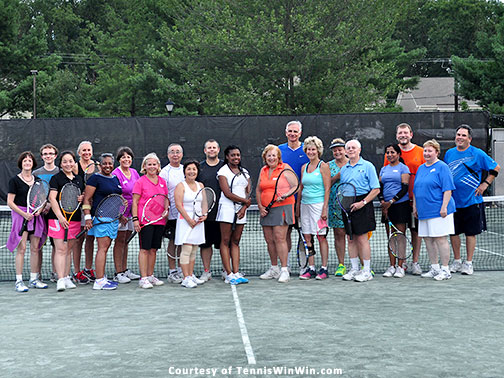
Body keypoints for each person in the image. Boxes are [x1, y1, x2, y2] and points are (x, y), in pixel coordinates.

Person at [444, 124, 501, 275]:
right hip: (453, 202)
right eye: (458, 135)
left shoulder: (478, 154)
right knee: (453, 233)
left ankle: (468, 263)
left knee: (470, 233)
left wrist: (485, 184)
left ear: (469, 139)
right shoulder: (449, 154)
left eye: (463, 135)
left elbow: (496, 168)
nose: (460, 138)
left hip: (472, 201)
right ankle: (456, 261)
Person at [384, 123, 425, 275]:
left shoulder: (420, 151)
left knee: (415, 232)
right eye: (400, 133)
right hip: (398, 203)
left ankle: (415, 262)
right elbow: (386, 179)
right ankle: (402, 261)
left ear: (411, 134)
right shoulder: (391, 154)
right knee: (398, 233)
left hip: (416, 199)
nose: (403, 135)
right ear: (396, 136)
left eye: (405, 133)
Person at [413, 140, 456, 281]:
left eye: (430, 151)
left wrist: (444, 207)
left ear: (437, 152)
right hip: (423, 211)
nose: (426, 153)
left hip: (439, 210)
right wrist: (415, 207)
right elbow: (416, 190)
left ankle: (445, 270)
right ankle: (434, 268)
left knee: (440, 239)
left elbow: (448, 188)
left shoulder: (442, 167)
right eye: (425, 151)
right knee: (428, 239)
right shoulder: (421, 168)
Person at [7, 151, 48, 292]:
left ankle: (34, 279)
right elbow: (10, 202)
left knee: (35, 248)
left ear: (33, 164)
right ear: (21, 163)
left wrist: (40, 209)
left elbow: (43, 200)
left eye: (29, 161)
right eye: (25, 161)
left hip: (35, 216)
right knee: (22, 248)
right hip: (20, 216)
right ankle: (19, 281)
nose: (27, 163)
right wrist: (24, 214)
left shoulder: (37, 181)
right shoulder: (14, 181)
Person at [340, 140, 380, 282]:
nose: (351, 150)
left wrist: (362, 203)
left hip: (363, 203)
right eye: (348, 148)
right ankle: (354, 269)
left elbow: (376, 189)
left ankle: (367, 271)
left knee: (362, 239)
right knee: (351, 239)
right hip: (347, 204)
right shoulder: (344, 169)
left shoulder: (368, 166)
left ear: (359, 150)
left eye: (353, 148)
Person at [82, 153, 123, 290]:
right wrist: (88, 217)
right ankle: (99, 281)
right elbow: (87, 199)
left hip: (113, 218)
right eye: (104, 163)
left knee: (105, 248)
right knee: (102, 249)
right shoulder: (95, 178)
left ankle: (101, 277)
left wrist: (121, 213)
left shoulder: (115, 178)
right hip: (101, 218)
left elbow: (116, 198)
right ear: (99, 165)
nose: (107, 166)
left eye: (110, 163)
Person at [256, 145, 296, 283]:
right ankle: (274, 268)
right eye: (269, 155)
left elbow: (295, 185)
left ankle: (284, 270)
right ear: (265, 157)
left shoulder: (285, 168)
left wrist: (285, 195)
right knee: (269, 240)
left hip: (283, 207)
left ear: (278, 157)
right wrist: (261, 207)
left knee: (280, 238)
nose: (271, 158)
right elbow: (259, 190)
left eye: (274, 155)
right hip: (266, 209)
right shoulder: (263, 170)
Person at [47, 151, 85, 291]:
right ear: (61, 164)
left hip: (74, 219)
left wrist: (82, 197)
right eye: (65, 161)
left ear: (74, 163)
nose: (68, 164)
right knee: (60, 249)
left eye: (71, 161)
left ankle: (67, 277)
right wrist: (60, 217)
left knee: (69, 249)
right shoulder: (56, 178)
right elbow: (52, 198)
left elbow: (81, 195)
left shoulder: (79, 179)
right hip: (57, 219)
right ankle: (60, 279)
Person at [132, 153, 169, 289]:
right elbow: (135, 202)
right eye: (149, 164)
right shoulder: (140, 182)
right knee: (144, 249)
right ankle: (143, 278)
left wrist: (166, 209)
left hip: (159, 220)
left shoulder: (162, 182)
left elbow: (164, 199)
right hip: (145, 221)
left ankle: (150, 275)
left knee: (153, 250)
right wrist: (136, 219)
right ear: (145, 167)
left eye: (154, 164)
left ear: (158, 166)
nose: (152, 167)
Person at [216, 145, 251, 285]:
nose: (236, 157)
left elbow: (248, 190)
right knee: (225, 240)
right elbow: (227, 193)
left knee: (236, 241)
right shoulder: (223, 171)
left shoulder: (244, 172)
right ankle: (229, 274)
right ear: (227, 157)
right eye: (233, 155)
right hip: (226, 208)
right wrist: (245, 202)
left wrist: (243, 207)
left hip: (242, 210)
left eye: (238, 155)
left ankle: (236, 272)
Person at [297, 136, 331, 280]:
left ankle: (324, 268)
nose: (311, 152)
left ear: (318, 150)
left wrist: (324, 209)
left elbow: (327, 188)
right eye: (308, 149)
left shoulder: (323, 166)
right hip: (305, 205)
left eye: (313, 149)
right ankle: (311, 268)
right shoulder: (304, 167)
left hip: (318, 206)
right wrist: (298, 207)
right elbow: (301, 188)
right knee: (307, 237)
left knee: (321, 236)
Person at [278, 120, 309, 269]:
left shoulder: (307, 150)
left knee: (307, 233)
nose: (292, 134)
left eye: (295, 131)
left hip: (305, 200)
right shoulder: (279, 151)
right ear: (286, 132)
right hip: (285, 201)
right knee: (286, 232)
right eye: (290, 131)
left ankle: (307, 265)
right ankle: (287, 264)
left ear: (300, 133)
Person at [379, 144, 410, 278]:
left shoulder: (404, 168)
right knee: (390, 238)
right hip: (386, 207)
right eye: (388, 152)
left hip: (400, 206)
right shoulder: (384, 169)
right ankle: (391, 266)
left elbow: (404, 189)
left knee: (400, 237)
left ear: (398, 154)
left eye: (392, 152)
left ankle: (400, 266)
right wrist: (383, 202)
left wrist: (391, 201)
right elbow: (379, 187)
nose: (390, 155)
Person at [174, 161, 207, 288]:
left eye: (194, 169)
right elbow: (178, 205)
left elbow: (204, 202)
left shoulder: (200, 185)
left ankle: (191, 275)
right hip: (185, 221)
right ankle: (186, 278)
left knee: (194, 250)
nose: (191, 171)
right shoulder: (180, 186)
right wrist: (189, 220)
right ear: (185, 171)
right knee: (186, 249)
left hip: (198, 221)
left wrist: (204, 215)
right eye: (189, 169)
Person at [111, 147, 141, 283]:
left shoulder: (134, 172)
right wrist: (119, 214)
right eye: (123, 157)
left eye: (128, 157)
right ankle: (118, 272)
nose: (126, 159)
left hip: (132, 212)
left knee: (126, 241)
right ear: (119, 160)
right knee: (119, 241)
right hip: (120, 214)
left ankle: (124, 270)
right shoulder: (115, 174)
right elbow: (113, 195)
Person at [197, 139, 224, 281]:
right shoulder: (199, 168)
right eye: (209, 148)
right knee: (205, 245)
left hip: (223, 213)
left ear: (218, 150)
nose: (212, 150)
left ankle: (227, 270)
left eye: (214, 147)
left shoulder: (225, 167)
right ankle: (206, 271)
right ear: (205, 151)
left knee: (223, 244)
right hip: (205, 215)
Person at [33, 143, 59, 282]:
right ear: (42, 156)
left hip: (55, 214)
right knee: (38, 244)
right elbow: (34, 193)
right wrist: (42, 206)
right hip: (39, 214)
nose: (48, 156)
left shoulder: (60, 172)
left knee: (56, 244)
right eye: (45, 154)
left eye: (50, 153)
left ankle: (55, 273)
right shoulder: (35, 174)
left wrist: (50, 204)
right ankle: (37, 274)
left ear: (55, 156)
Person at [73, 141, 98, 283]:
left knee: (90, 238)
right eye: (84, 150)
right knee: (78, 240)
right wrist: (79, 195)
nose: (86, 152)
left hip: (92, 208)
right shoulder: (75, 167)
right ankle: (77, 272)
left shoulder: (97, 167)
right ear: (79, 152)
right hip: (78, 209)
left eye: (89, 150)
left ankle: (88, 269)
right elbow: (72, 184)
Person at [159, 143, 185, 283]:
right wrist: (166, 210)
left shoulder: (185, 170)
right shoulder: (164, 172)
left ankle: (181, 269)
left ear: (181, 154)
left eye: (178, 152)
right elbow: (163, 193)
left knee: (182, 242)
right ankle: (172, 271)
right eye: (172, 152)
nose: (175, 154)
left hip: (185, 214)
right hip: (171, 214)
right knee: (173, 242)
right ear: (168, 155)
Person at [327, 138, 349, 277]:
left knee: (355, 236)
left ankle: (362, 265)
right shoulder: (328, 166)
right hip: (334, 205)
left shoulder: (354, 162)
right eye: (335, 150)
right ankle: (341, 265)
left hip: (352, 205)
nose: (337, 151)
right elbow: (325, 183)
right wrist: (337, 176)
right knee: (339, 235)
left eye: (340, 149)